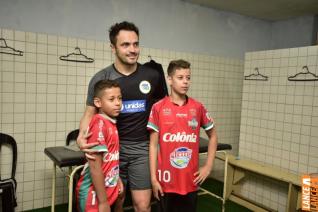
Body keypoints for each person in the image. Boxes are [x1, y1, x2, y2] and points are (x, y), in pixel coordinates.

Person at [77, 21, 166, 212]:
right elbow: (89, 113)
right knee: (115, 200)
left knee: (142, 205)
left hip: (142, 149)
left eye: (135, 44)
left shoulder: (152, 76)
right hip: (112, 150)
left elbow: (162, 110)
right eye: (125, 45)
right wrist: (81, 136)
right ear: (113, 48)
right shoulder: (101, 79)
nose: (132, 49)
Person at [147, 59, 218, 212]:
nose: (185, 82)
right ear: (170, 79)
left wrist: (208, 166)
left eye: (188, 77)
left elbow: (213, 136)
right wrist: (153, 179)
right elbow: (153, 145)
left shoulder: (198, 107)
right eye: (180, 78)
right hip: (165, 182)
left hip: (190, 182)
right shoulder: (158, 108)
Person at [76, 80, 124, 212]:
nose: (118, 103)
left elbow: (110, 159)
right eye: (111, 99)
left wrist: (117, 180)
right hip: (92, 194)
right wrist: (103, 202)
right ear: (98, 103)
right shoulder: (99, 125)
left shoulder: (110, 123)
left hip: (108, 189)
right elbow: (95, 167)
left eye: (120, 98)